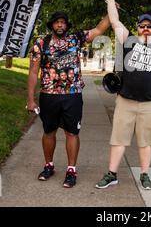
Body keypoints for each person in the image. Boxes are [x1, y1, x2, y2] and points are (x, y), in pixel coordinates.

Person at [95, 0, 151, 190]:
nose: (146, 28)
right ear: (138, 28)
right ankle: (112, 174)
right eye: (142, 25)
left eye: (149, 25)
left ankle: (144, 174)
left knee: (145, 142)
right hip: (126, 101)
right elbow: (114, 21)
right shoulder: (128, 40)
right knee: (118, 139)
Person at [27, 11, 110, 188]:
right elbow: (33, 72)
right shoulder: (41, 44)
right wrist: (30, 99)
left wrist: (111, 10)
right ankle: (48, 166)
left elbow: (98, 29)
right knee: (49, 131)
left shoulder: (76, 39)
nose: (60, 25)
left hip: (72, 95)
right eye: (57, 22)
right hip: (49, 95)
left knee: (72, 132)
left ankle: (71, 170)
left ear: (67, 25)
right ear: (52, 25)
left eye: (63, 22)